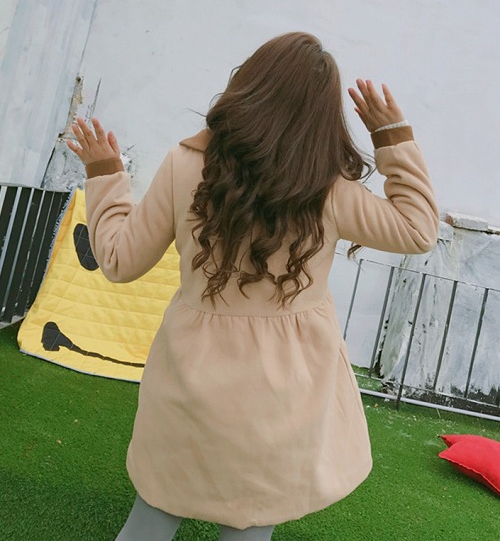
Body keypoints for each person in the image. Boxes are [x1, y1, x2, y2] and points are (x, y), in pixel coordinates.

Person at [67, 32, 439, 541]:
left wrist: (105, 174)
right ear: (322, 116)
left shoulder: (185, 165)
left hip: (188, 378)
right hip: (284, 392)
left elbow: (118, 261)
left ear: (248, 85)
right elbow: (418, 229)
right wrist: (392, 136)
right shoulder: (328, 190)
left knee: (152, 517)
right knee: (250, 524)